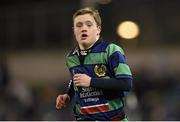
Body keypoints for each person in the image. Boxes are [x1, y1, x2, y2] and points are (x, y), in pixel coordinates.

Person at [56, 7, 133, 121]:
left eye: (89, 24)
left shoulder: (111, 50)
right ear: (74, 30)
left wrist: (91, 81)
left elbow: (126, 83)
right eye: (79, 25)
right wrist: (68, 95)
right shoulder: (71, 57)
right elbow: (75, 80)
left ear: (98, 29)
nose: (83, 29)